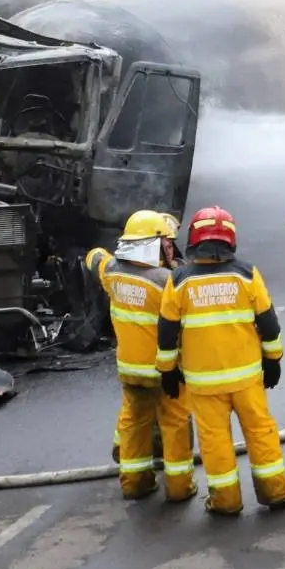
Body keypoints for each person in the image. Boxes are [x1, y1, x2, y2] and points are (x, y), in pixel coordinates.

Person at [157, 206, 285, 514]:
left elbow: (167, 331)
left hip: (203, 382)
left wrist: (167, 371)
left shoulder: (179, 280)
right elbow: (269, 324)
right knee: (261, 432)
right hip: (247, 378)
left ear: (195, 240)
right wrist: (273, 360)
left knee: (215, 441)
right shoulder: (247, 274)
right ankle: (275, 492)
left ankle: (225, 501)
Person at [88, 210, 194, 502]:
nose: (171, 247)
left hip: (130, 371)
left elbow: (94, 257)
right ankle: (180, 487)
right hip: (165, 370)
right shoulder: (166, 281)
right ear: (154, 245)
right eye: (167, 242)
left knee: (134, 425)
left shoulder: (111, 271)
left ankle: (135, 483)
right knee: (175, 425)